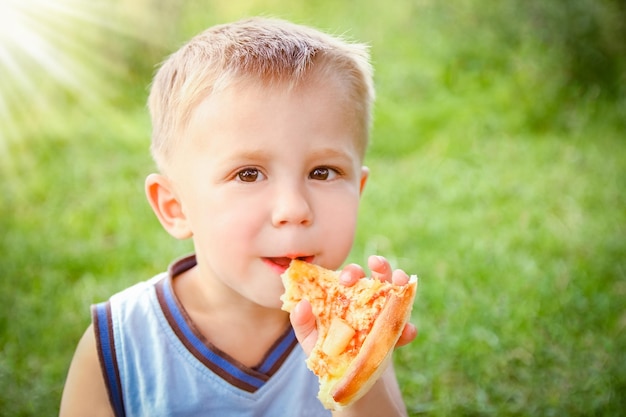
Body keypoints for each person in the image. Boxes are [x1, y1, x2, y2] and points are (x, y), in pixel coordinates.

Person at [59, 17, 417, 417]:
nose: (294, 209)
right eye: (248, 174)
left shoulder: (349, 329)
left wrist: (358, 372)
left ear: (358, 191)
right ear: (175, 208)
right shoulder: (117, 346)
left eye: (323, 172)